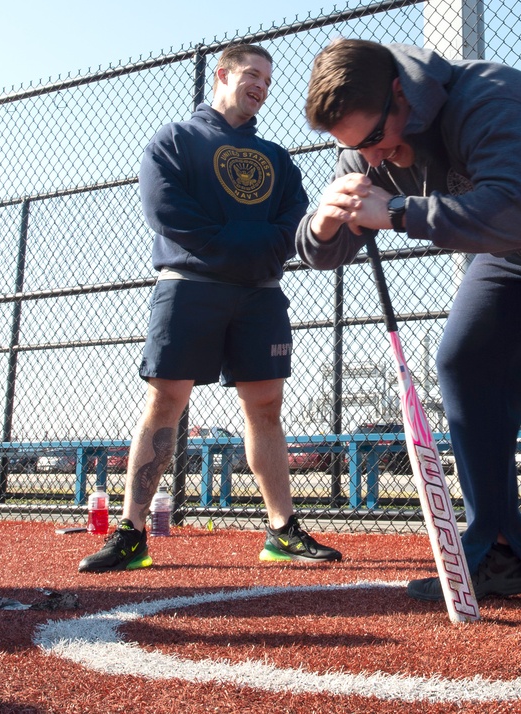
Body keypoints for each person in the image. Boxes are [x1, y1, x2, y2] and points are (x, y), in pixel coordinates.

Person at [296, 39, 521, 614]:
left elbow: (518, 210)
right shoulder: (366, 146)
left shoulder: (493, 97)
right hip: (518, 249)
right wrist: (320, 226)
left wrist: (395, 213)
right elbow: (331, 247)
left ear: (402, 94)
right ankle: (498, 552)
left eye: (373, 139)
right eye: (350, 148)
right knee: (466, 362)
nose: (368, 159)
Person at [80, 42, 341, 573]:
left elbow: (293, 219)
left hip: (260, 293)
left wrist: (255, 251)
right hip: (190, 286)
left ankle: (281, 531)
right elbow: (167, 211)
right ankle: (131, 533)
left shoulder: (277, 158)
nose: (261, 87)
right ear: (222, 74)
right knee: (166, 403)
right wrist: (243, 246)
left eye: (268, 80)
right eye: (252, 75)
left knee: (266, 408)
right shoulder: (174, 140)